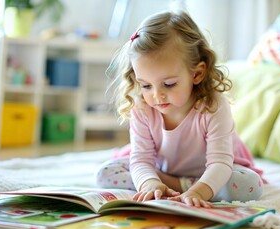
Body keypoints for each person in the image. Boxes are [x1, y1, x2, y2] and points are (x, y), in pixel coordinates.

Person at [96, 10, 264, 208]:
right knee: (106, 173)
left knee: (248, 185)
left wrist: (199, 192)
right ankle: (166, 184)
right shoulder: (142, 107)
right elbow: (141, 158)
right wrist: (150, 183)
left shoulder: (212, 106)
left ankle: (175, 185)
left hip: (213, 170)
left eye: (168, 84)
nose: (157, 96)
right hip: (160, 168)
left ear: (197, 73)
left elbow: (220, 163)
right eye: (146, 85)